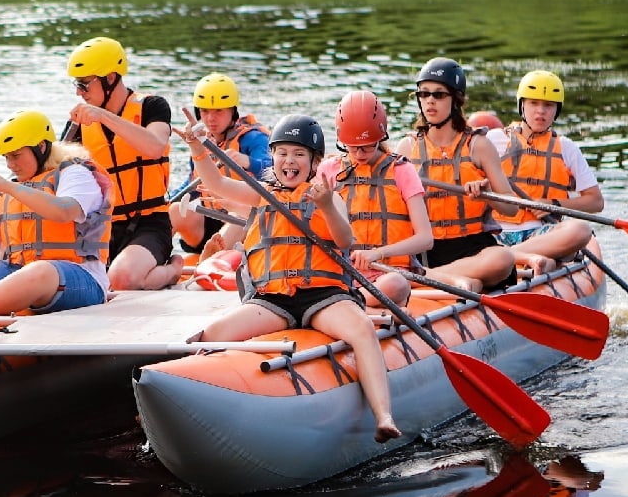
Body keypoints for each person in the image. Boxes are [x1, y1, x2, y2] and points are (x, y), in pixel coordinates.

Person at [180, 113, 401, 443]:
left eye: (299, 154)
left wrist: (325, 204)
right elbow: (217, 184)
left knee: (363, 329)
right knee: (212, 334)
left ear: (315, 161)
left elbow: (344, 240)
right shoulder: (261, 194)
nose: (289, 160)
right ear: (272, 157)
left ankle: (383, 416)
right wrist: (197, 146)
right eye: (282, 152)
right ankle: (184, 400)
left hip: (323, 296)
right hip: (272, 299)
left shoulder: (329, 196)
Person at [394, 57, 520, 293]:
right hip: (426, 248)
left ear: (455, 100)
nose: (430, 101)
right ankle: (437, 276)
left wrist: (487, 195)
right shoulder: (406, 148)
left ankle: (428, 278)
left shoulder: (478, 145)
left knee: (502, 259)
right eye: (423, 94)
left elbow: (512, 208)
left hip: (471, 246)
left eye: (439, 94)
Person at [66, 36, 181, 290]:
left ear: (110, 78)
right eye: (77, 85)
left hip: (150, 223)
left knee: (122, 278)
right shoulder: (79, 126)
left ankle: (173, 269)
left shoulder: (153, 106)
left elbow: (155, 145)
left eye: (84, 85)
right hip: (103, 229)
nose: (78, 93)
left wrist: (103, 116)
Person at [0, 109, 112, 315]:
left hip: (82, 279)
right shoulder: (8, 191)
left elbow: (64, 212)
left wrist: (11, 187)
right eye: (6, 157)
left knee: (39, 272)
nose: (10, 165)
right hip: (18, 270)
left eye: (16, 156)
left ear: (41, 147)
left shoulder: (75, 174)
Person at [315, 89, 436, 307]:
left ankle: (349, 305)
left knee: (396, 284)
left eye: (368, 145)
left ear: (381, 136)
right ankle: (342, 304)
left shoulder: (401, 170)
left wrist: (377, 254)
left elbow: (425, 238)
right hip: (342, 276)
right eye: (352, 146)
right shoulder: (329, 170)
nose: (360, 153)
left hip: (388, 273)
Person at [485, 70, 603, 273]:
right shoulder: (494, 140)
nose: (540, 111)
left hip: (542, 234)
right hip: (497, 231)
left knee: (581, 231)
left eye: (548, 105)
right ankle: (525, 259)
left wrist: (554, 205)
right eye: (533, 103)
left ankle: (510, 256)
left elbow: (595, 201)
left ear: (556, 110)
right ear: (522, 105)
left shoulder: (566, 148)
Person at [168, 72, 270, 256]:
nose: (210, 119)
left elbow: (275, 175)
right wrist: (169, 199)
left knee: (238, 215)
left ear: (233, 111)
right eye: (205, 111)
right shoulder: (200, 142)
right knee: (174, 210)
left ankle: (214, 255)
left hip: (242, 219)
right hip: (210, 217)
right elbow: (192, 182)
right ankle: (156, 260)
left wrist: (248, 162)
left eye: (218, 111)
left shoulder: (253, 138)